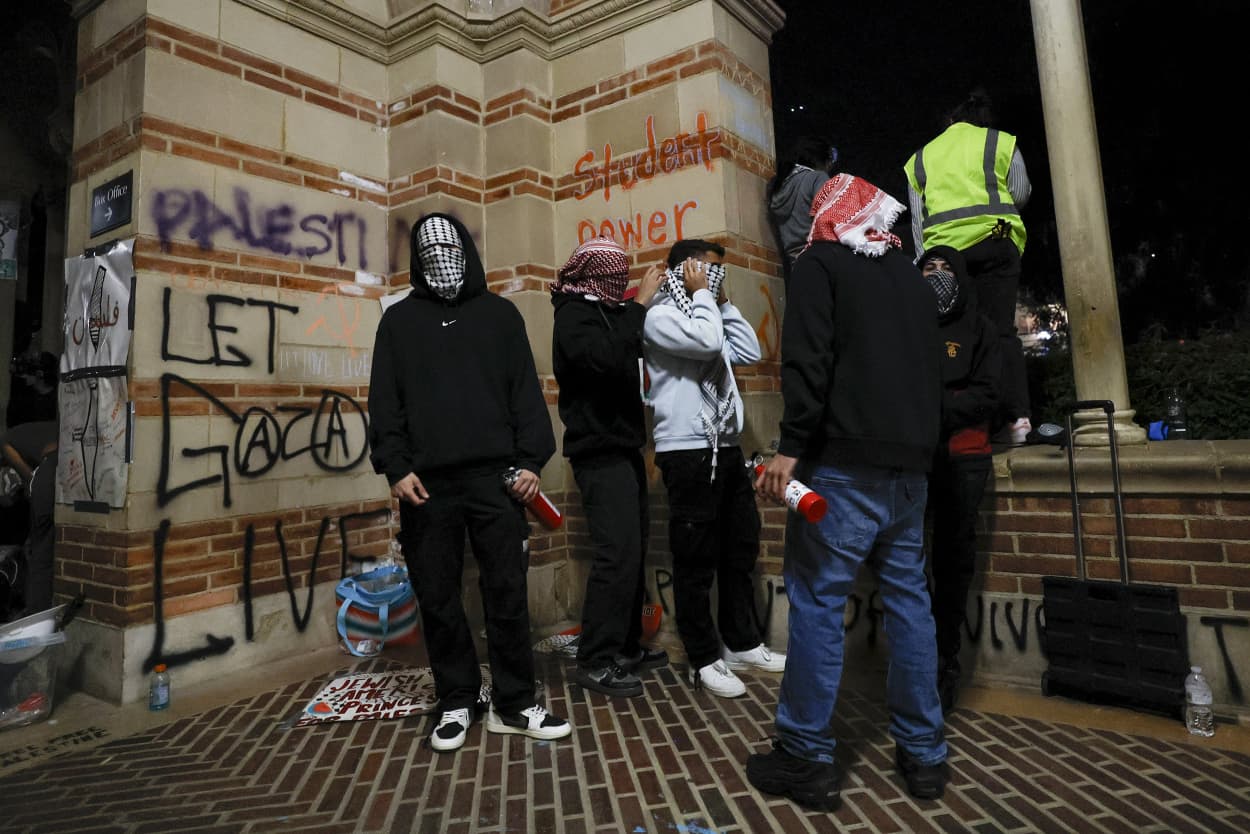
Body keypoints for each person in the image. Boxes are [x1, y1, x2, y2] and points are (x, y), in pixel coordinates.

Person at [747, 174, 948, 810]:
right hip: (911, 473)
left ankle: (806, 757)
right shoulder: (913, 279)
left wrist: (790, 446)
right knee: (911, 603)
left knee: (815, 602)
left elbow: (807, 361)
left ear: (828, 213)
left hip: (842, 468)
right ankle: (925, 757)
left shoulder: (820, 265)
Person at [368, 212, 570, 753]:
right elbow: (385, 401)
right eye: (428, 253)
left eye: (449, 249)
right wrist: (395, 466)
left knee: (506, 591)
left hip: (496, 480)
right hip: (426, 485)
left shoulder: (500, 317)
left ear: (468, 251)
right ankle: (458, 697)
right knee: (437, 594)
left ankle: (514, 702)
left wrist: (531, 461)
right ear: (416, 260)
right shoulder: (399, 322)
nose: (441, 262)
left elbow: (525, 393)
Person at [642, 238, 784, 699]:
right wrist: (704, 298)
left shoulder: (708, 312)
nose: (716, 276)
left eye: (720, 271)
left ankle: (742, 642)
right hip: (686, 450)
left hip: (726, 445)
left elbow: (747, 350)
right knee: (695, 559)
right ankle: (704, 657)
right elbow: (706, 345)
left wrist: (720, 299)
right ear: (685, 269)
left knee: (739, 547)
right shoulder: (661, 315)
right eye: (709, 269)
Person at [551, 236, 667, 698]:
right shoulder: (573, 316)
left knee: (634, 551)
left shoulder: (612, 313)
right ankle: (596, 660)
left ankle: (626, 647)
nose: (619, 277)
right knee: (615, 554)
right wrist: (638, 302)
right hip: (597, 452)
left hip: (625, 447)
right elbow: (601, 360)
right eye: (611, 270)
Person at [904, 88, 1032, 445]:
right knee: (1001, 330)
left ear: (946, 121)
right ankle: (1016, 419)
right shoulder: (1000, 143)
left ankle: (968, 422)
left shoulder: (921, 158)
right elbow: (1020, 192)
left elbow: (918, 221)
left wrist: (927, 265)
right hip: (995, 241)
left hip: (946, 257)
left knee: (956, 335)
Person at [919, 245, 1003, 714]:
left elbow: (989, 394)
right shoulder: (909, 327)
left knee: (953, 562)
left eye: (944, 268)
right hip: (916, 460)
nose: (935, 276)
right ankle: (917, 657)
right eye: (927, 268)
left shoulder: (981, 330)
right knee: (908, 561)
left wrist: (936, 407)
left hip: (964, 459)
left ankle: (945, 661)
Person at [766, 135, 839, 278]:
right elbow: (832, 220)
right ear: (822, 159)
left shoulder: (777, 185)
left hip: (796, 265)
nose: (830, 166)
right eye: (831, 160)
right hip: (824, 261)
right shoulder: (817, 178)